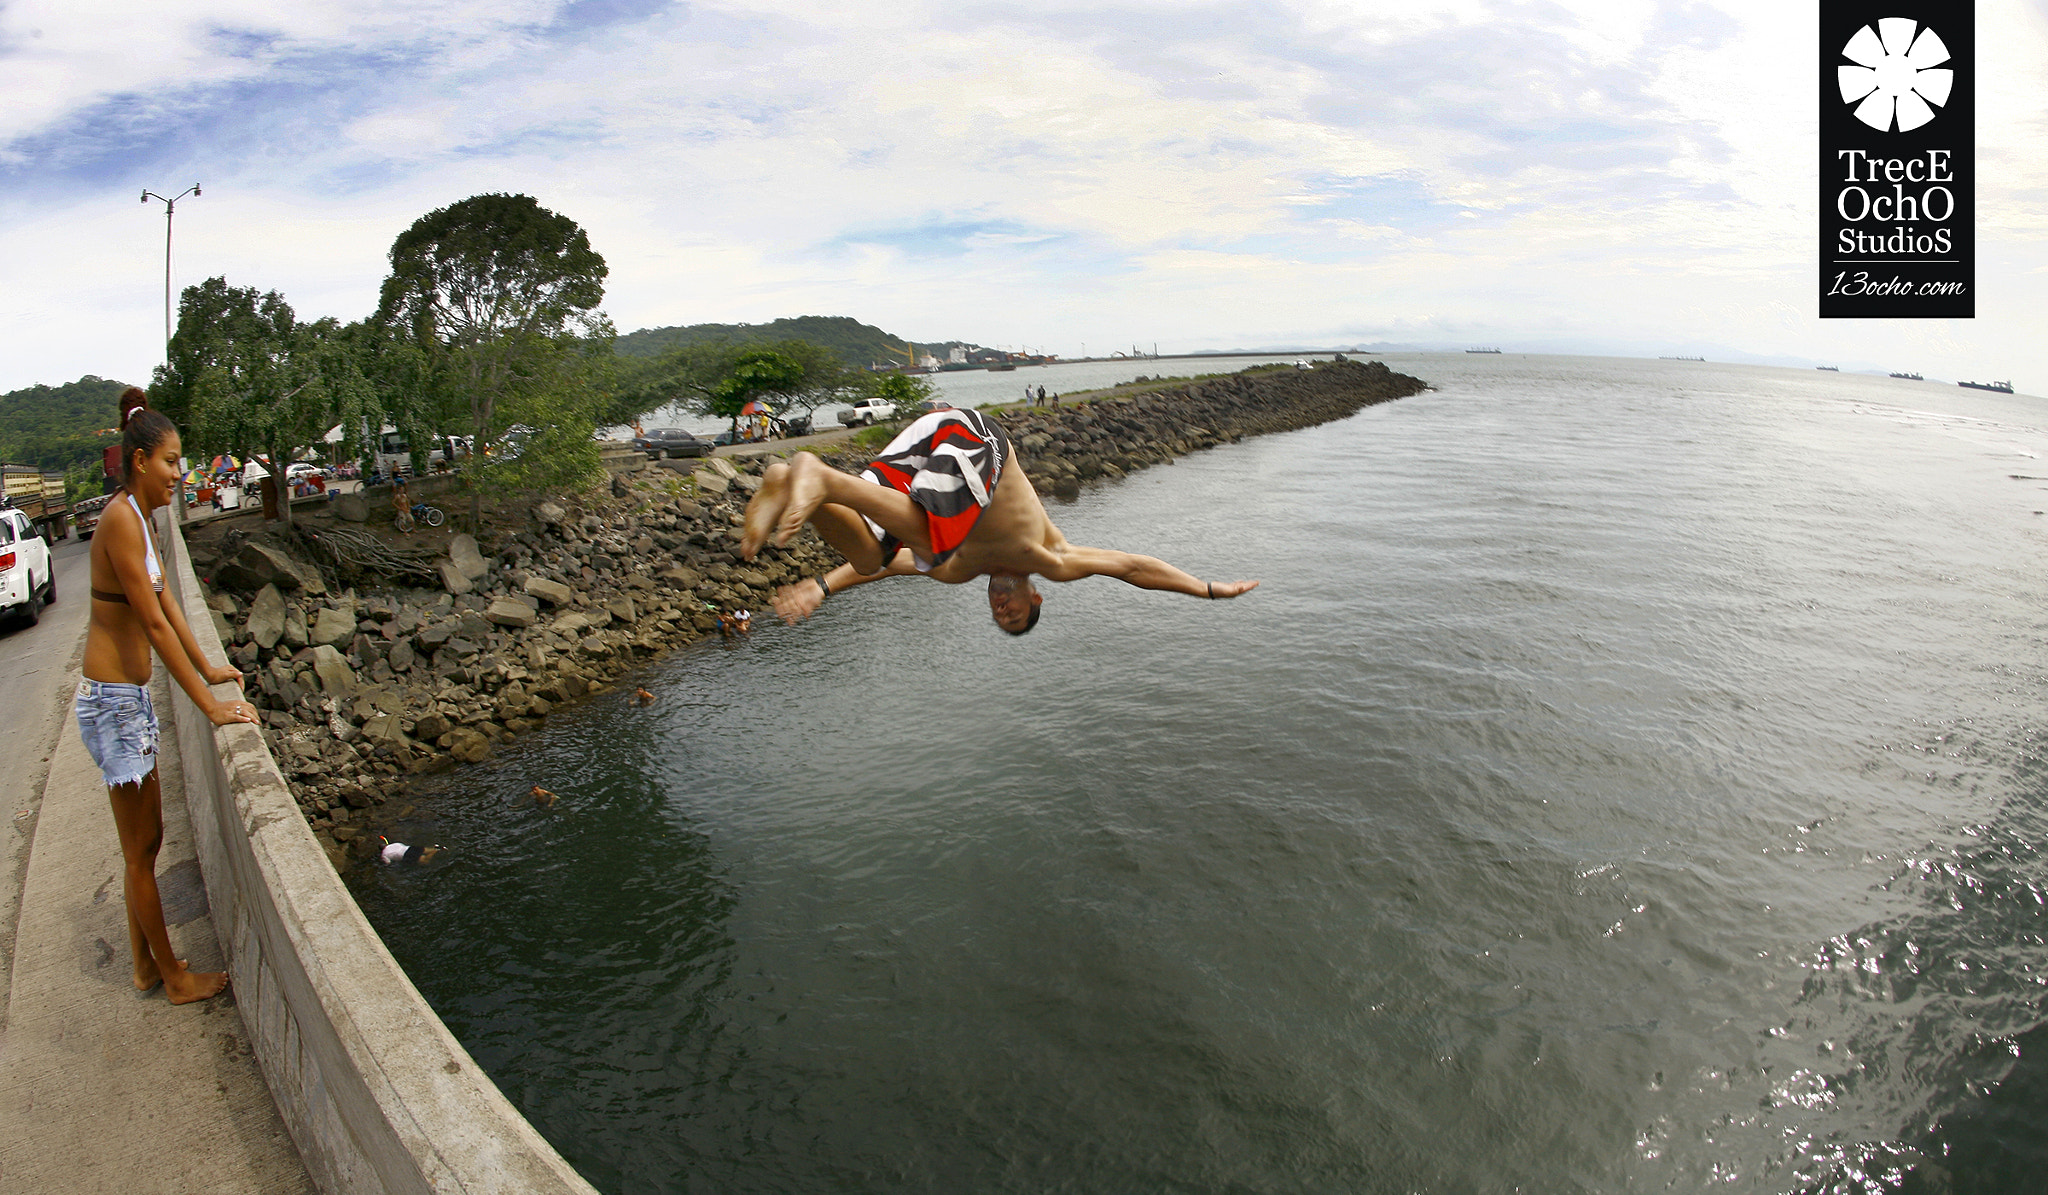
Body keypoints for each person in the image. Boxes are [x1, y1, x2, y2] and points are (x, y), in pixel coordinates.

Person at [741, 407, 1257, 634]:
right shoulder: (1053, 559)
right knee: (936, 542)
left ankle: (791, 478)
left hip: (921, 446)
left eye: (998, 616)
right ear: (1037, 597)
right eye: (1015, 613)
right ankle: (823, 478)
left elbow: (871, 571)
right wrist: (1206, 590)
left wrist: (818, 589)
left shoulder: (958, 570)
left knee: (871, 552)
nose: (1002, 607)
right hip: (973, 437)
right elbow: (1133, 569)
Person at [79, 402, 257, 1004]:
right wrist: (209, 705)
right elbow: (153, 625)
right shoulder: (121, 520)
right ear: (139, 461)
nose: (180, 473)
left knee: (144, 847)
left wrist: (208, 665)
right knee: (142, 850)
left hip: (126, 699)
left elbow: (170, 606)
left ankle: (143, 966)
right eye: (172, 461)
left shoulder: (141, 516)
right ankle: (173, 978)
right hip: (114, 702)